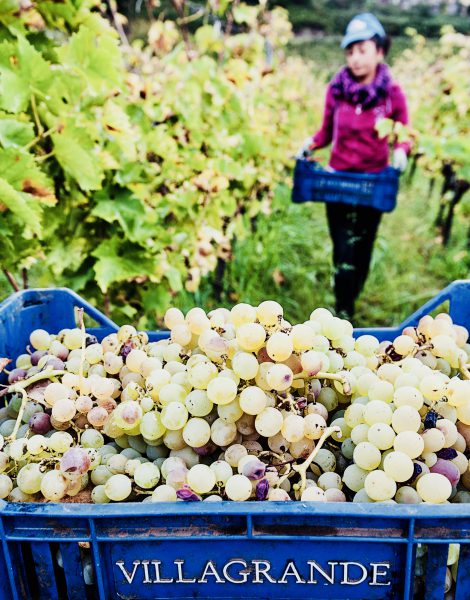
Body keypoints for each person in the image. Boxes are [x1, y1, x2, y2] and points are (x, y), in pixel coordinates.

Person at [297, 13, 411, 319]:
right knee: (342, 246)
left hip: (373, 184)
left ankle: (352, 291)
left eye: (362, 50)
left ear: (379, 51)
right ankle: (343, 307)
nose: (355, 59)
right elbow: (326, 133)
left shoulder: (392, 94)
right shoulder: (336, 89)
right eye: (350, 52)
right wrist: (310, 143)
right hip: (338, 181)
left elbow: (403, 132)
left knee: (363, 245)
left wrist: (401, 150)